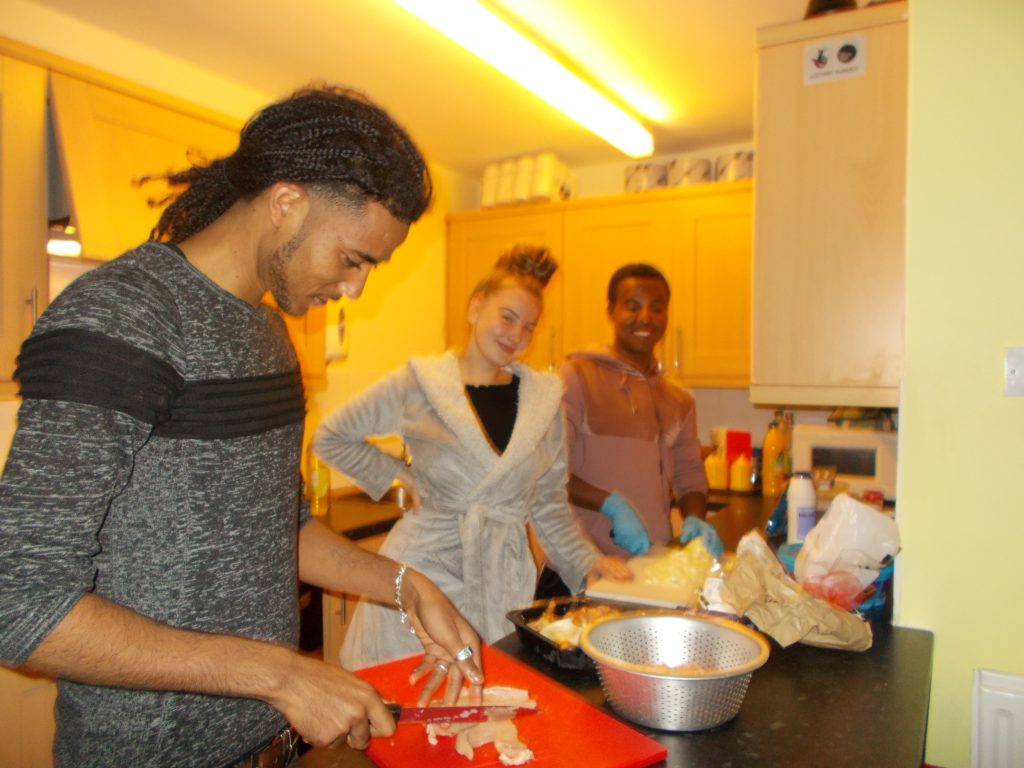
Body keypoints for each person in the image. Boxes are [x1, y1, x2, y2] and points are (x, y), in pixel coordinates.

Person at [0, 84, 484, 768]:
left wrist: (405, 585)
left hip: (267, 748)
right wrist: (281, 674)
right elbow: (19, 604)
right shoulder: (121, 319)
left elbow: (277, 527)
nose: (356, 290)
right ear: (286, 205)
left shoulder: (267, 333)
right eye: (353, 260)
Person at [314, 245, 634, 669]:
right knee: (416, 712)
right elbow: (331, 436)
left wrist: (589, 562)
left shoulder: (544, 402)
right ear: (475, 307)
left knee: (488, 708)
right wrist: (401, 476)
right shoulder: (421, 384)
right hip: (423, 575)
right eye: (507, 317)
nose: (516, 335)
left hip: (502, 579)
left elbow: (549, 504)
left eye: (529, 327)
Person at [534, 263, 721, 599]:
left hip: (650, 568)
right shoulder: (577, 377)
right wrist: (611, 504)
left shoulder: (678, 400)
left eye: (657, 307)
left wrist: (696, 520)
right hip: (582, 569)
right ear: (611, 311)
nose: (645, 317)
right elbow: (549, 470)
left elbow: (691, 477)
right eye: (632, 306)